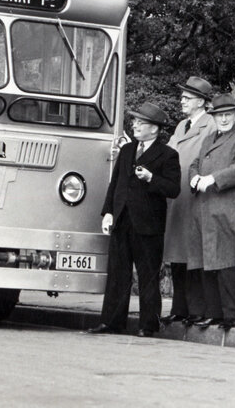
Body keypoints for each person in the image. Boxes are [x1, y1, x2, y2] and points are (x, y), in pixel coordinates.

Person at [90, 102, 181, 337]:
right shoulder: (128, 150)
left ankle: (148, 325)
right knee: (118, 273)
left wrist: (151, 178)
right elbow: (115, 184)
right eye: (135, 122)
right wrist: (108, 212)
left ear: (155, 129)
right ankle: (111, 322)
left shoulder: (168, 155)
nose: (135, 125)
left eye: (141, 122)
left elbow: (173, 189)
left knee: (148, 276)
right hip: (122, 220)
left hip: (148, 225)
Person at [188, 93, 235, 331]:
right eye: (220, 115)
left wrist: (213, 179)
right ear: (214, 117)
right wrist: (195, 177)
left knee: (228, 262)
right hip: (207, 206)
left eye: (228, 114)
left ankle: (233, 314)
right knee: (210, 261)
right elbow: (194, 164)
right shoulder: (208, 138)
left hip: (228, 206)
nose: (224, 119)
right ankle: (214, 313)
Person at [162, 76, 215, 326]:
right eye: (182, 96)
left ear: (202, 102)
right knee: (178, 256)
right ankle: (180, 308)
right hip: (178, 197)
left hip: (195, 196)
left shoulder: (211, 126)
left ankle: (197, 309)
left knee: (195, 256)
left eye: (187, 97)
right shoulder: (181, 125)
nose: (182, 100)